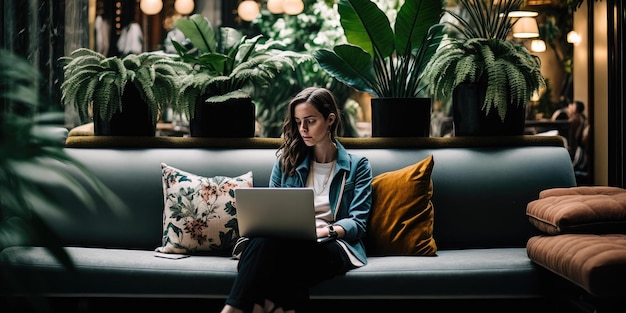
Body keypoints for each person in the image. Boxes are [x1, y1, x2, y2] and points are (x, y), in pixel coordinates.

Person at [221, 87, 373, 313]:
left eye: (310, 121)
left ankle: (237, 309)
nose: (302, 129)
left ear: (330, 119)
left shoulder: (357, 166)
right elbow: (272, 213)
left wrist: (327, 231)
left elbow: (358, 222)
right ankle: (277, 308)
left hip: (330, 245)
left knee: (272, 254)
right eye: (298, 121)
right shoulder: (286, 161)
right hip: (284, 242)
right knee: (269, 245)